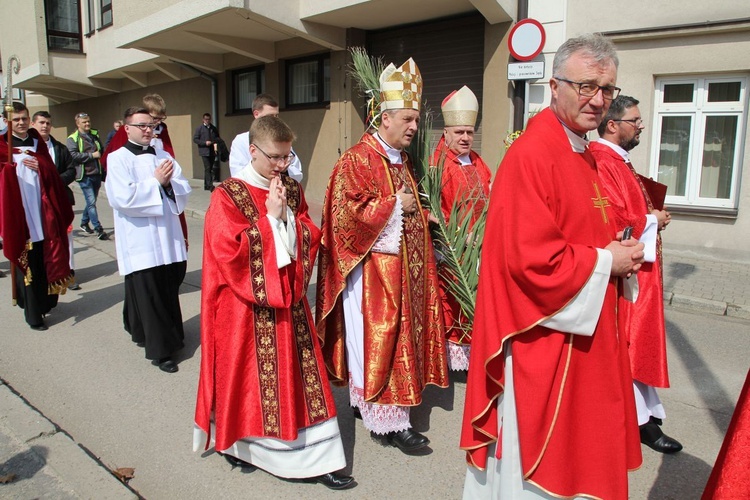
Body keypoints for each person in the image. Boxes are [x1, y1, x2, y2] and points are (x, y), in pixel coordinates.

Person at [460, 34, 645, 499]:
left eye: (606, 90)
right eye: (586, 86)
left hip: (585, 332)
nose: (598, 100)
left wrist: (614, 251)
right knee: (544, 466)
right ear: (554, 85)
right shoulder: (533, 155)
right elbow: (531, 262)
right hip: (543, 339)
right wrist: (607, 261)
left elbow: (579, 231)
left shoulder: (581, 151)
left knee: (587, 447)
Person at [194, 116, 354, 490]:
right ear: (253, 151)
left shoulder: (292, 190)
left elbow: (309, 233)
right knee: (246, 382)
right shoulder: (227, 195)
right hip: (243, 311)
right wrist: (270, 219)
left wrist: (288, 222)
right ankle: (241, 447)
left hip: (288, 304)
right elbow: (227, 251)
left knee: (301, 378)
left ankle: (317, 458)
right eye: (275, 158)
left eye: (287, 157)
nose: (282, 166)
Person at [317, 57, 449, 453]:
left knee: (401, 338)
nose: (413, 127)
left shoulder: (400, 160)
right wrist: (394, 207)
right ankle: (390, 423)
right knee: (382, 341)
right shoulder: (356, 159)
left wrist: (426, 220)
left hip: (403, 271)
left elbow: (407, 206)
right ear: (384, 117)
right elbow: (344, 216)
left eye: (414, 119)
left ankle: (375, 406)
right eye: (407, 119)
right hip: (372, 275)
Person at [591, 95, 682, 454]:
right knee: (627, 342)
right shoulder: (603, 159)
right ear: (612, 125)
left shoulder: (619, 159)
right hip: (627, 270)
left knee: (638, 341)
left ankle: (648, 411)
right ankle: (640, 421)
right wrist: (650, 221)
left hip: (642, 266)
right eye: (635, 120)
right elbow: (611, 217)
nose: (640, 125)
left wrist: (651, 217)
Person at [105, 107, 191, 373]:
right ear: (127, 128)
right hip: (140, 239)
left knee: (167, 288)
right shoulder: (117, 158)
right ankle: (162, 351)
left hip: (168, 236)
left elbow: (183, 187)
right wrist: (155, 183)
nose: (147, 130)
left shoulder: (163, 155)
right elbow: (121, 197)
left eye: (150, 125)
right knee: (149, 291)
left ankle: (150, 330)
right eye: (141, 125)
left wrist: (167, 185)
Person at [431, 85, 492, 371]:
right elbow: (435, 209)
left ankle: (472, 353)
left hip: (481, 244)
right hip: (454, 249)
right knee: (453, 302)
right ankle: (455, 358)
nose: (466, 137)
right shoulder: (438, 164)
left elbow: (489, 196)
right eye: (459, 132)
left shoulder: (478, 161)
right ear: (446, 133)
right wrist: (462, 235)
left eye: (469, 132)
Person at [0, 102, 73, 330]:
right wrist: (7, 170)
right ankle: (33, 314)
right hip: (19, 214)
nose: (21, 123)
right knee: (27, 263)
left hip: (43, 213)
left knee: (44, 259)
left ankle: (45, 301)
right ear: (6, 121)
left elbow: (51, 171)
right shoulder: (2, 146)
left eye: (24, 118)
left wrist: (42, 167)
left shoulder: (37, 143)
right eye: (16, 119)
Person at [101, 94, 189, 251]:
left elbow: (169, 154)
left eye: (161, 119)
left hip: (165, 188)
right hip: (140, 190)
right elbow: (114, 160)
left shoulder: (162, 130)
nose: (157, 123)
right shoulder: (126, 132)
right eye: (155, 118)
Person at [31, 111, 81, 290]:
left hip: (59, 198)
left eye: (48, 123)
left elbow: (71, 170)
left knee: (65, 236)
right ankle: (44, 274)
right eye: (41, 122)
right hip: (36, 201)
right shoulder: (29, 148)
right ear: (33, 124)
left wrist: (54, 181)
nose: (45, 126)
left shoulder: (59, 148)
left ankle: (68, 272)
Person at [229, 94, 304, 181]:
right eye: (270, 116)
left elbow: (297, 172)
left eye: (276, 116)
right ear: (256, 114)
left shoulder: (282, 138)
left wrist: (284, 170)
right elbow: (238, 173)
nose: (274, 120)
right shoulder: (241, 141)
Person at [67, 112, 109, 240]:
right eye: (84, 122)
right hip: (84, 175)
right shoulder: (72, 138)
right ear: (77, 123)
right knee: (91, 202)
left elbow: (101, 150)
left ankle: (84, 222)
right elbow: (73, 155)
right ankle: (98, 229)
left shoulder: (94, 135)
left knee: (92, 201)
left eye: (88, 122)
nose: (87, 124)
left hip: (96, 173)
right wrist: (92, 156)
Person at [193, 113, 220, 191]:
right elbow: (195, 139)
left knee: (210, 168)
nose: (207, 121)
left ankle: (206, 185)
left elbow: (217, 138)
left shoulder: (213, 128)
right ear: (203, 120)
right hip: (204, 151)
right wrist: (205, 143)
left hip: (212, 151)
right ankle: (209, 185)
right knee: (207, 168)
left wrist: (215, 145)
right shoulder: (200, 129)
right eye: (206, 119)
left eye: (208, 119)